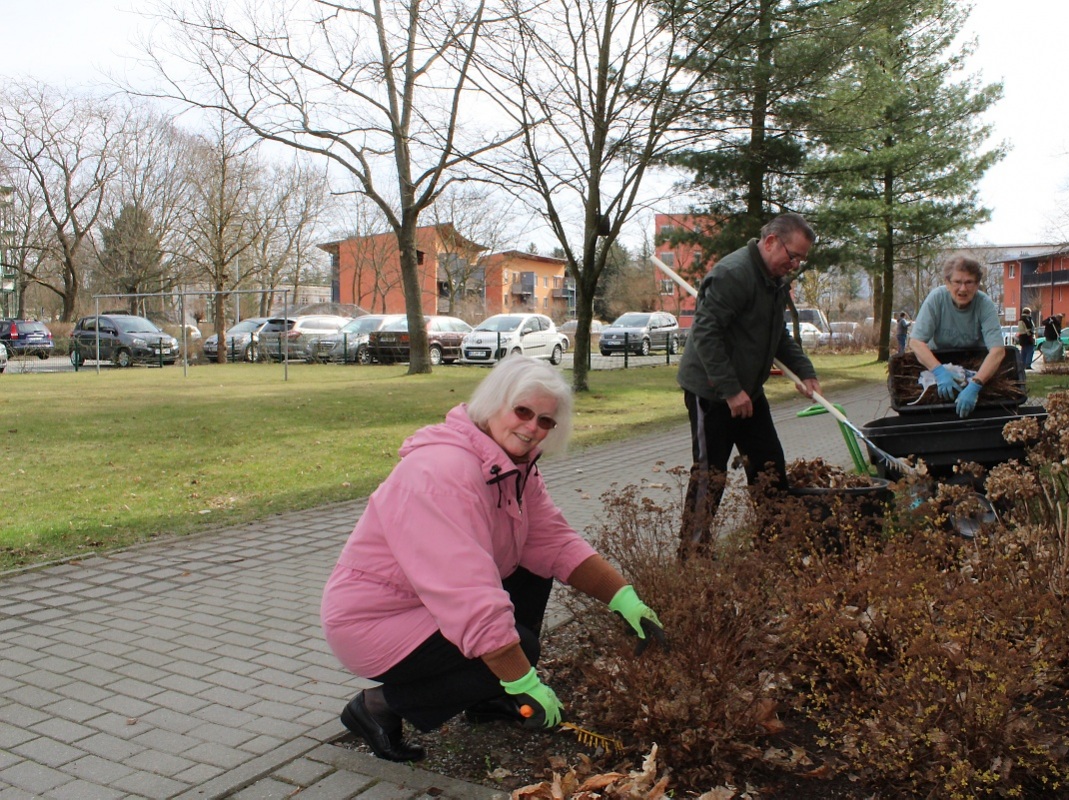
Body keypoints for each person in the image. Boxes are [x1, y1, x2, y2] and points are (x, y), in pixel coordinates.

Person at [321, 355, 665, 762]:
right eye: (522, 411)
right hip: (375, 621)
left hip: (425, 602)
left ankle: (486, 698)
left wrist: (623, 599)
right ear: (494, 403)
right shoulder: (441, 473)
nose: (532, 427)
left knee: (535, 572)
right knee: (516, 649)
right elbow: (467, 595)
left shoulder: (513, 467)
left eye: (545, 421)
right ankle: (378, 707)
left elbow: (552, 540)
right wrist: (521, 677)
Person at [676, 212, 821, 555]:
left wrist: (805, 371)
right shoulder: (733, 274)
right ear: (771, 241)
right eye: (793, 255)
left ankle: (773, 544)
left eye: (802, 259)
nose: (795, 264)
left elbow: (778, 337)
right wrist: (730, 390)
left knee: (769, 463)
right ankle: (692, 555)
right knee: (710, 475)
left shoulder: (774, 280)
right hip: (711, 392)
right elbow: (705, 335)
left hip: (749, 393)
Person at [908, 254, 1006, 419]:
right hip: (938, 362)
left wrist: (976, 384)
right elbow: (916, 342)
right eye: (957, 282)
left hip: (974, 364)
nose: (963, 289)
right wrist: (939, 371)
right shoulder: (936, 299)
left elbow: (997, 351)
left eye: (969, 282)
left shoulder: (984, 304)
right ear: (947, 283)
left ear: (976, 285)